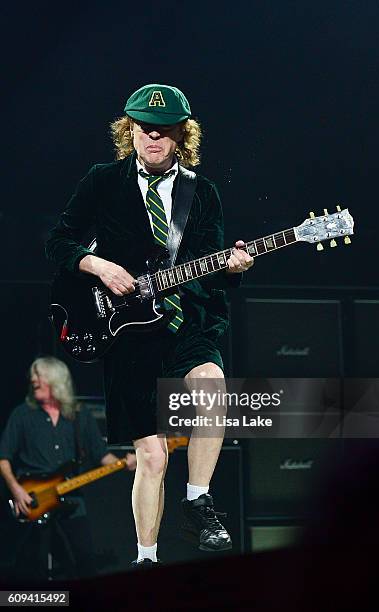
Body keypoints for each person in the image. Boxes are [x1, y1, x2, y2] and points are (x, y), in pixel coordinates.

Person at [45, 83, 254, 565]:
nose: (152, 138)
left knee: (212, 386)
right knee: (153, 457)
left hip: (187, 321)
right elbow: (59, 242)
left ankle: (198, 500)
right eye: (144, 129)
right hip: (125, 331)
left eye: (163, 131)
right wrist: (98, 266)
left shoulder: (203, 192)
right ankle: (146, 559)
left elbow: (210, 262)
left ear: (182, 136)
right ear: (130, 130)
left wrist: (234, 265)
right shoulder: (103, 180)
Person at [0, 356, 136, 579]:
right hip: (32, 499)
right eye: (32, 376)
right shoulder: (22, 414)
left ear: (56, 380)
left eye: (39, 375)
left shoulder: (79, 415)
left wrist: (127, 463)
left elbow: (101, 455)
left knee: (84, 561)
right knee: (31, 567)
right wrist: (16, 490)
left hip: (71, 499)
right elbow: (3, 457)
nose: (33, 379)